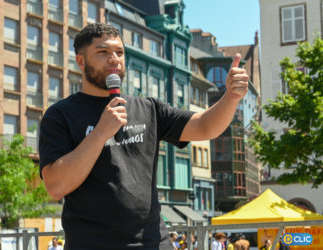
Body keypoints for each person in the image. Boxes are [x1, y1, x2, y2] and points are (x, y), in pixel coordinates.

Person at [39, 23, 249, 249]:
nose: (114, 59)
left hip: (154, 243)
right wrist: (100, 133)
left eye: (119, 52)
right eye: (103, 52)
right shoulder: (60, 115)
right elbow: (55, 186)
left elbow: (205, 126)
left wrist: (231, 98)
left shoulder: (149, 109)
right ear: (81, 61)